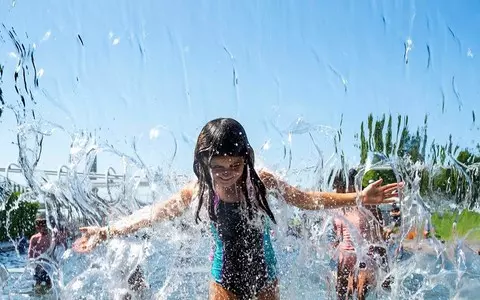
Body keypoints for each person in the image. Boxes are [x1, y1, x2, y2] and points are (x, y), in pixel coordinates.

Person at [73, 118, 401, 300]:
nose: (228, 174)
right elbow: (154, 213)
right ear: (203, 163)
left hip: (265, 275)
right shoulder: (199, 190)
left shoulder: (261, 181)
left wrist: (358, 199)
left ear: (247, 159)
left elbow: (306, 199)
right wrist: (107, 231)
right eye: (219, 167)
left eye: (236, 165)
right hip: (223, 277)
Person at [331, 169, 393, 300]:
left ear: (350, 185)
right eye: (335, 187)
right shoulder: (337, 207)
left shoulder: (369, 206)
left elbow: (380, 240)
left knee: (360, 294)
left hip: (366, 258)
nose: (336, 191)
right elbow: (337, 238)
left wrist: (386, 270)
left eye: (339, 186)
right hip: (344, 259)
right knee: (342, 297)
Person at [28, 217, 53, 293]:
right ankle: (38, 294)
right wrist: (31, 262)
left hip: (48, 264)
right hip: (38, 264)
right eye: (38, 227)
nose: (40, 228)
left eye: (43, 226)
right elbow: (30, 252)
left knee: (49, 283)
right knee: (37, 282)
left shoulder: (50, 236)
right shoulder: (34, 238)